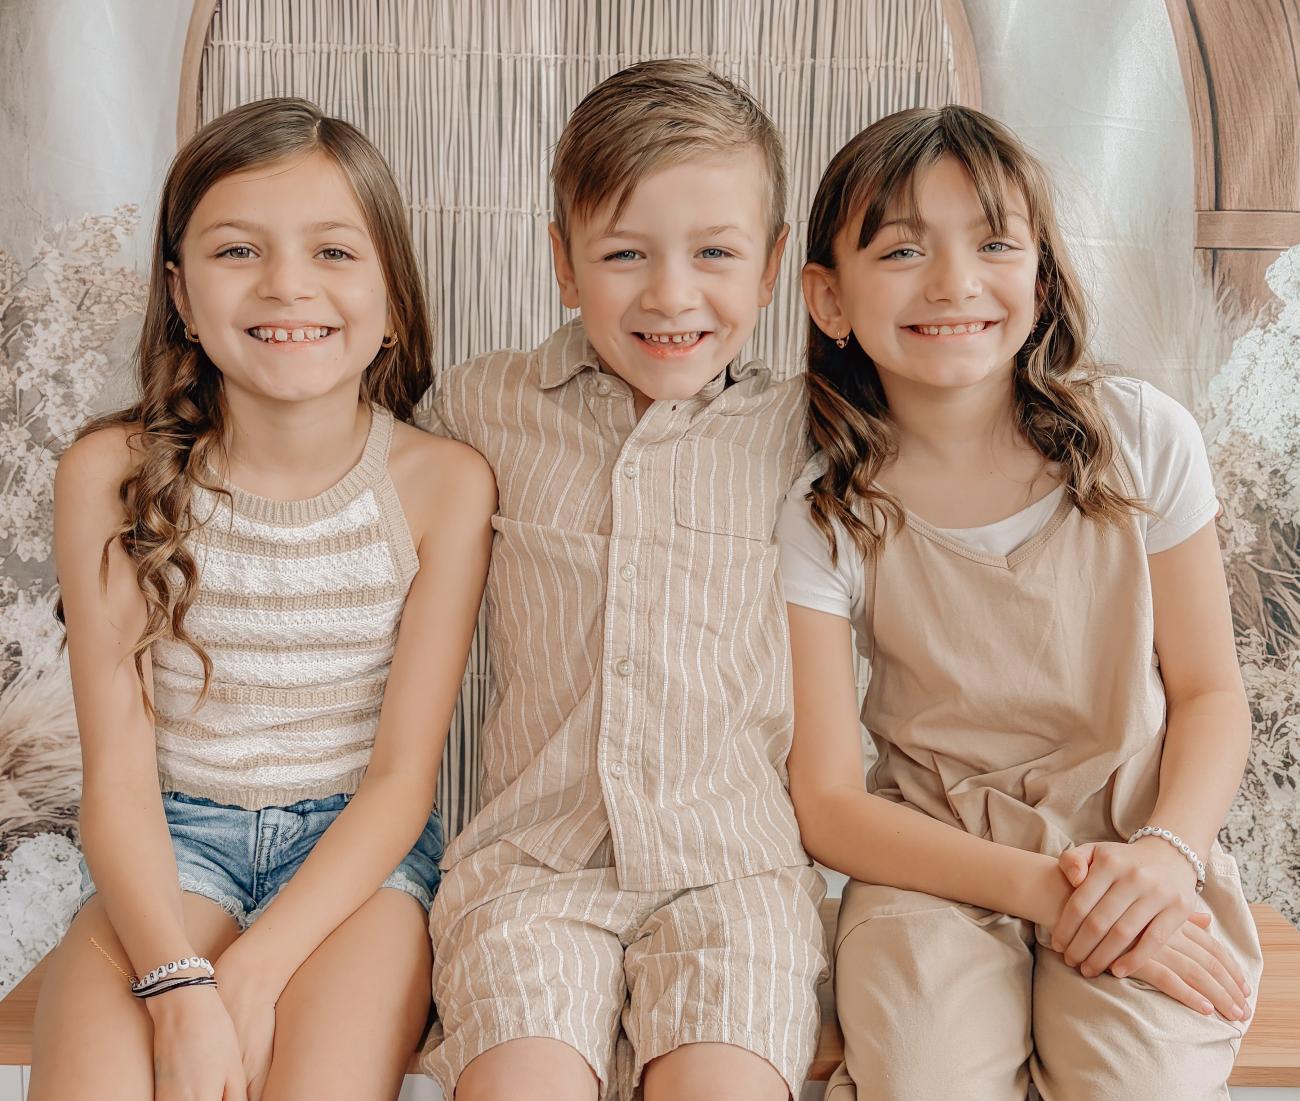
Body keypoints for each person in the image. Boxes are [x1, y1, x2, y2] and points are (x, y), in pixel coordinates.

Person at [778, 105, 1262, 1100]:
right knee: (920, 1080)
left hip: (1134, 852)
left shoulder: (1142, 439)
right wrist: (1042, 891)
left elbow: (1212, 692)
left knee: (1137, 1085)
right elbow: (826, 803)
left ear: (1038, 278)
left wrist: (1168, 859)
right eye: (903, 248)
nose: (954, 282)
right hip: (933, 870)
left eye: (994, 243)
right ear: (828, 298)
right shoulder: (822, 507)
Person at [30, 97, 494, 1101]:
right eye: (237, 251)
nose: (288, 284)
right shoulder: (110, 474)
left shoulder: (444, 485)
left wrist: (250, 969)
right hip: (166, 842)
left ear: (392, 299)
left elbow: (400, 781)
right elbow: (115, 778)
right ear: (181, 295)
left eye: (334, 252)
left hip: (354, 863)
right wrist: (178, 986)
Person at [418, 59, 827, 1101]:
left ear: (774, 266)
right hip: (532, 869)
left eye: (716, 254)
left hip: (734, 873)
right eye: (624, 254)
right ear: (562, 262)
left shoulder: (809, 432)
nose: (670, 295)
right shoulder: (477, 408)